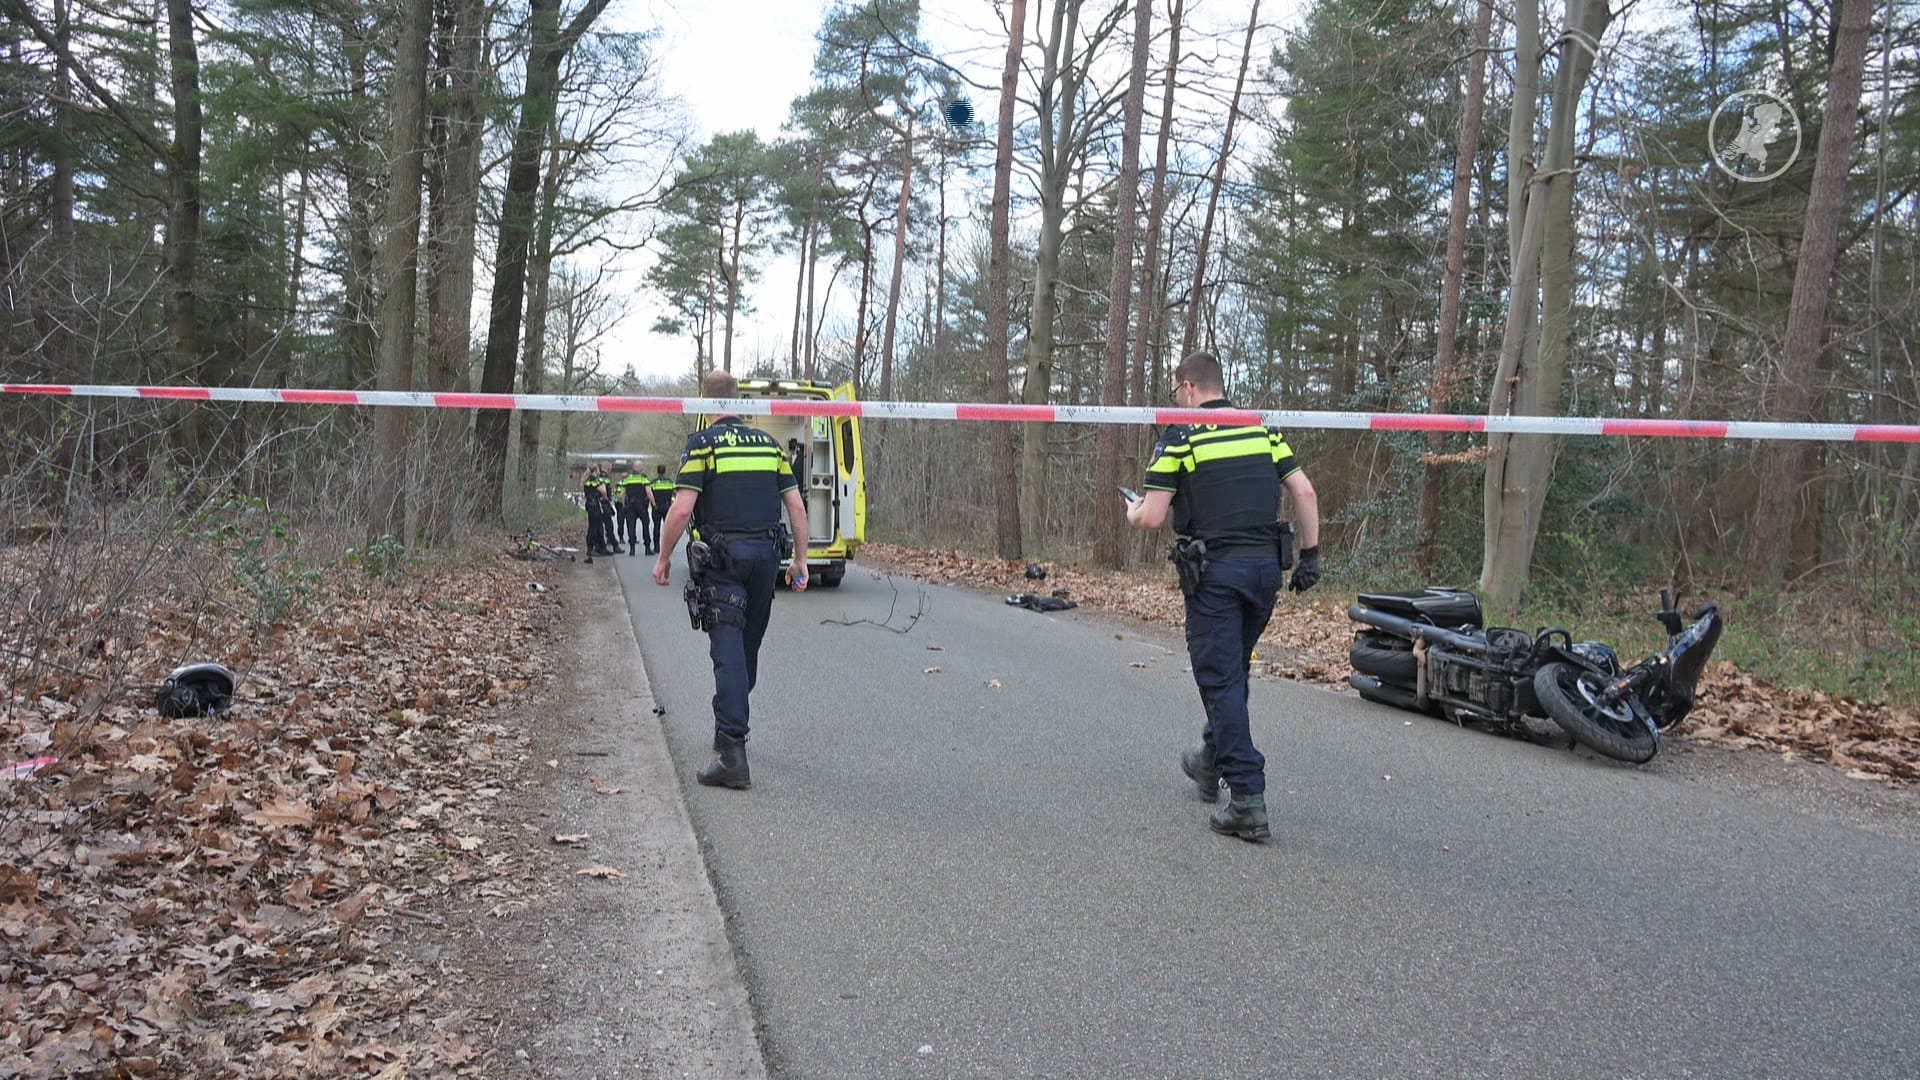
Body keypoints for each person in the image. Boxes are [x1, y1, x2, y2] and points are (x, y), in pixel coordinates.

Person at [1125, 351, 1320, 842]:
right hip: (1264, 575)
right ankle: (1211, 760)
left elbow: (1151, 517)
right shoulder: (1261, 428)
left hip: (1217, 575)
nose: (1175, 401)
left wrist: (1131, 511)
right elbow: (1306, 492)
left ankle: (1248, 799)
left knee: (1221, 677)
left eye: (1175, 392)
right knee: (1232, 669)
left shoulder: (1182, 435)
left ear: (1188, 387)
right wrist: (1311, 555)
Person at [653, 370, 811, 790]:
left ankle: (731, 754)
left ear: (706, 402)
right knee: (745, 650)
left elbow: (682, 510)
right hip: (766, 560)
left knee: (727, 651)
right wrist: (800, 560)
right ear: (740, 402)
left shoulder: (703, 444)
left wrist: (664, 557)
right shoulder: (770, 445)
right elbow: (796, 508)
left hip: (724, 560)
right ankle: (732, 719)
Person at [619, 466, 650, 556]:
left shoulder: (627, 479)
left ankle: (632, 549)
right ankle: (647, 548)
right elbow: (648, 492)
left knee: (631, 526)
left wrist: (624, 505)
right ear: (640, 470)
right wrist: (653, 503)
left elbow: (622, 494)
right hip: (641, 505)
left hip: (630, 505)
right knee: (645, 525)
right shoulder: (643, 479)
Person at [647, 464, 674, 555]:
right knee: (668, 528)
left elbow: (649, 495)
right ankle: (668, 547)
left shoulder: (653, 483)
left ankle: (656, 547)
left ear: (657, 471)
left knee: (656, 527)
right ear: (665, 471)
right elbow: (675, 493)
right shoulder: (670, 482)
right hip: (667, 507)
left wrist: (653, 504)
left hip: (657, 507)